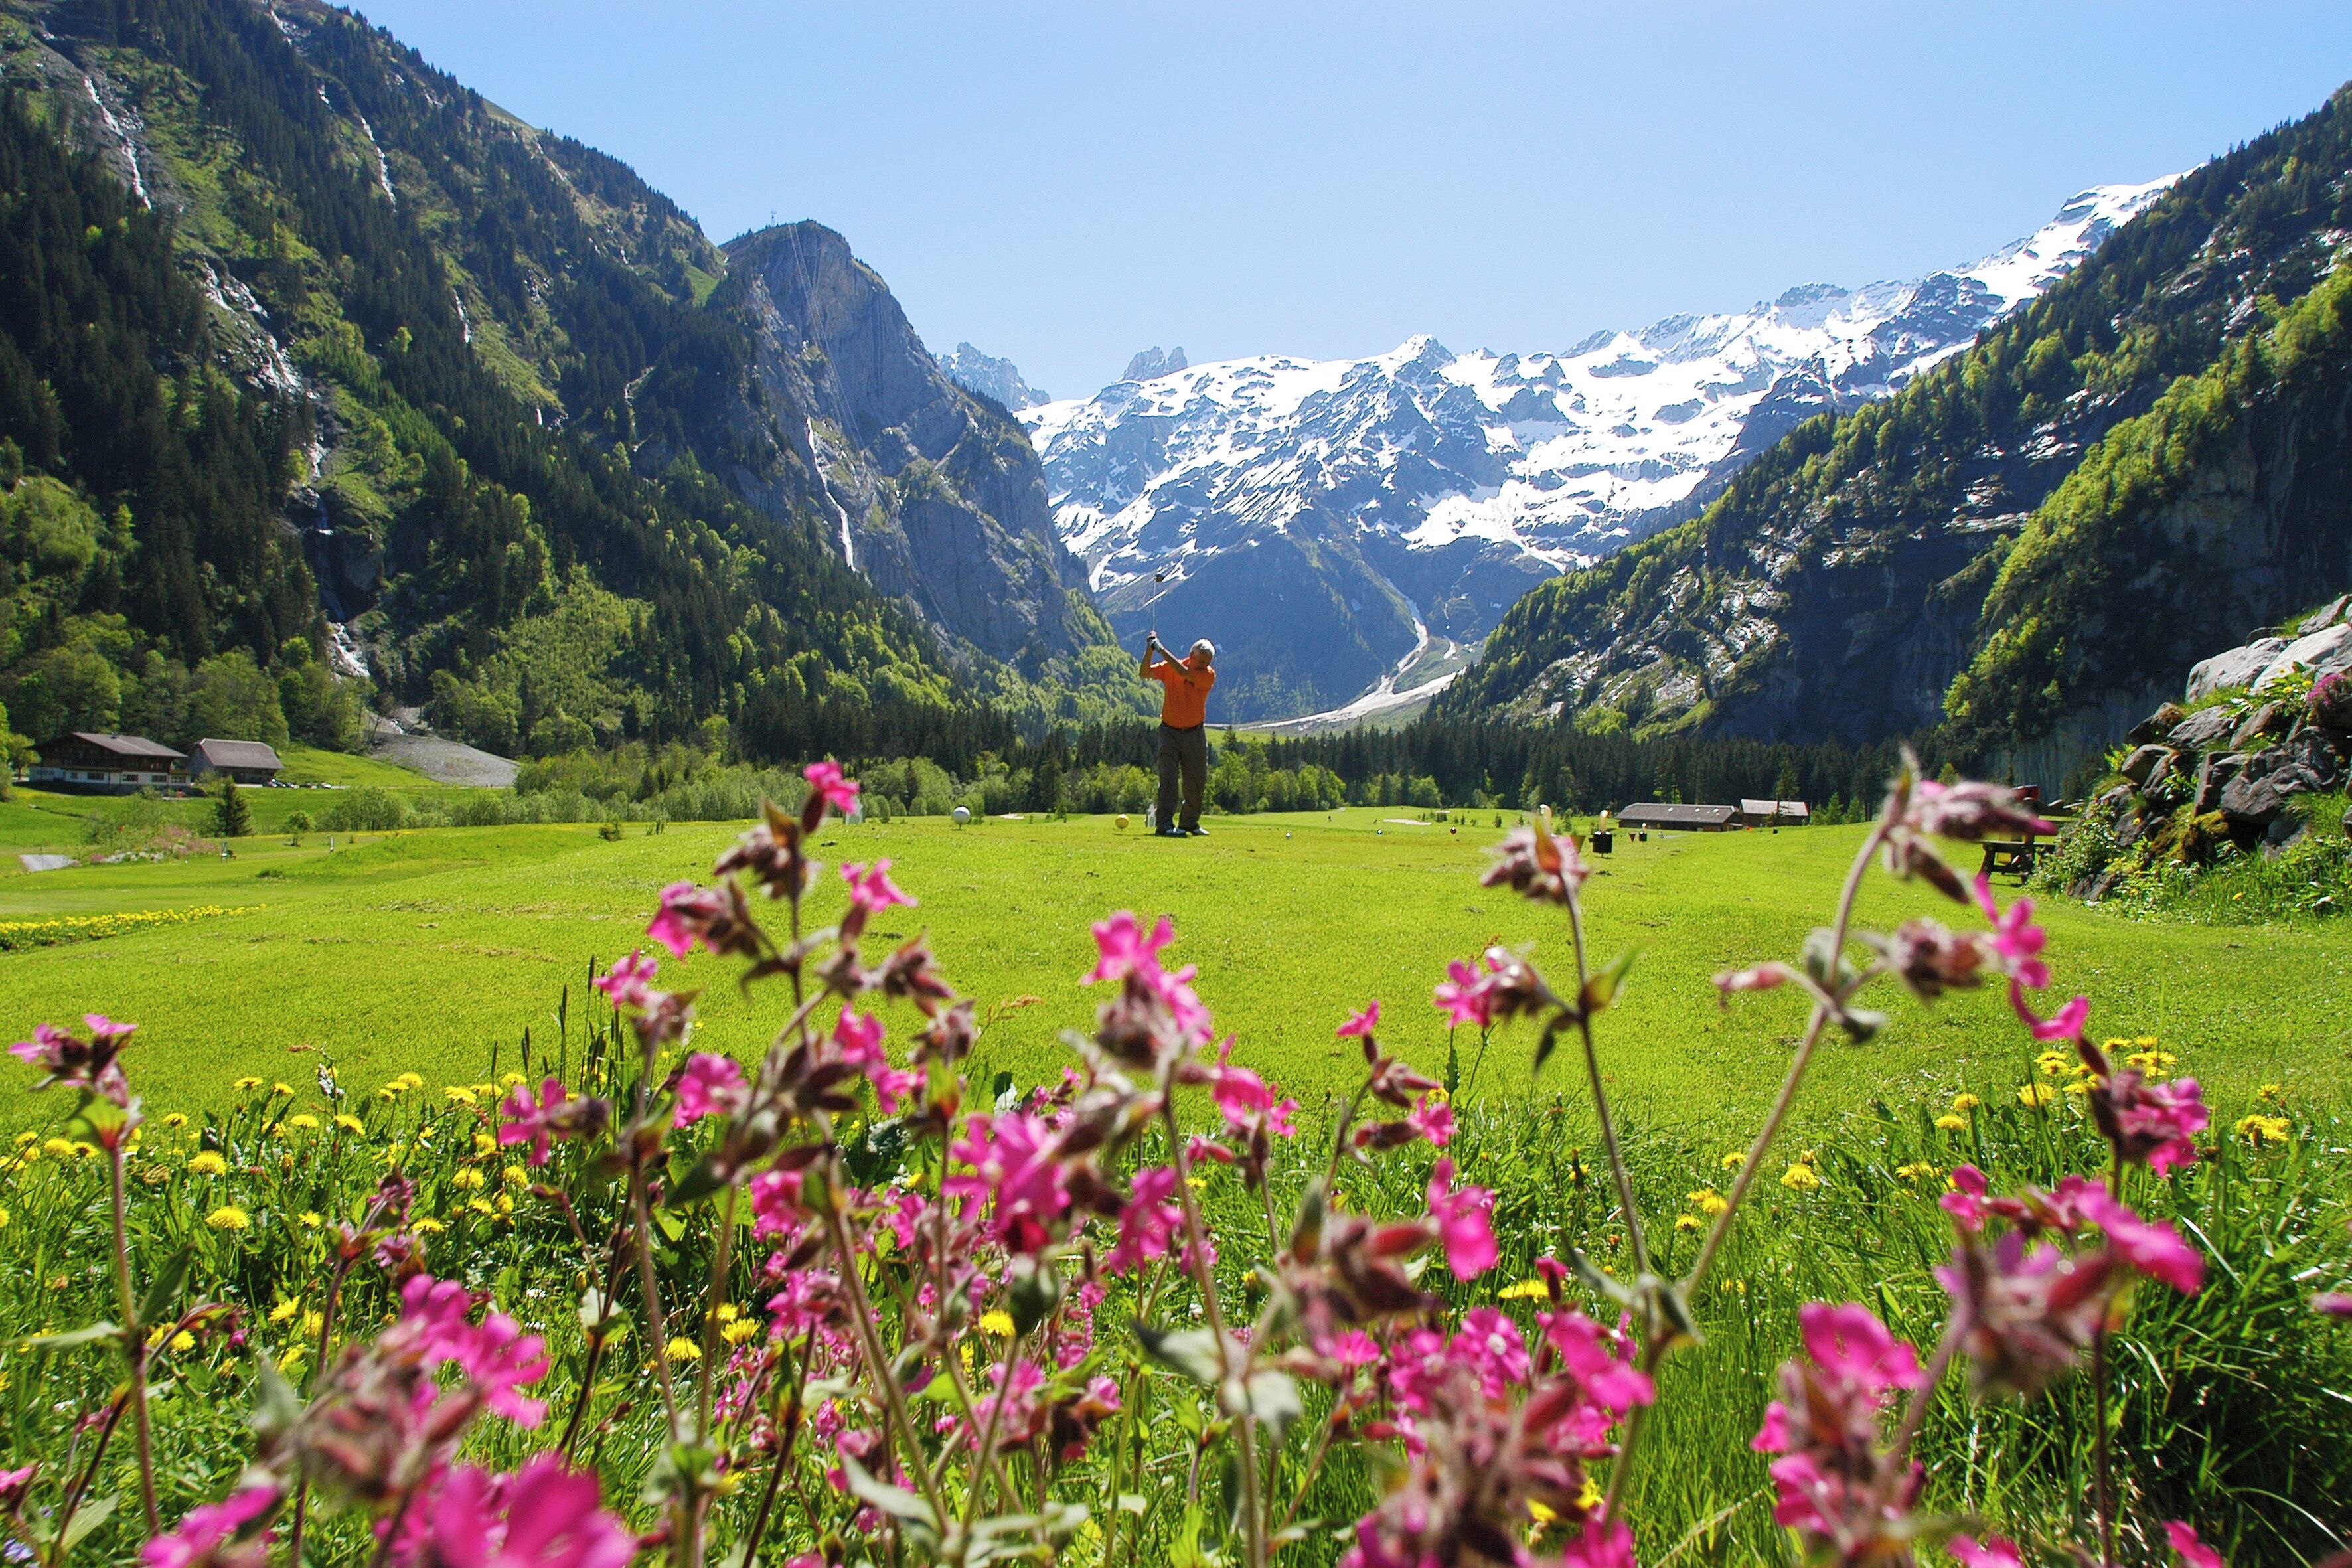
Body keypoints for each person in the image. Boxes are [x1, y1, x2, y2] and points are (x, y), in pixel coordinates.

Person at [1140, 632, 1216, 837]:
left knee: (1196, 780)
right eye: (1201, 661)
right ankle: (1164, 825)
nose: (1204, 666)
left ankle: (1189, 823)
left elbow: (1184, 673)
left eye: (1207, 663)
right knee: (1168, 780)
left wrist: (1160, 649)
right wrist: (1150, 650)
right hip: (1169, 732)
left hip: (1194, 733)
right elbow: (1145, 673)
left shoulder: (1207, 675)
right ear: (1191, 654)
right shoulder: (1170, 667)